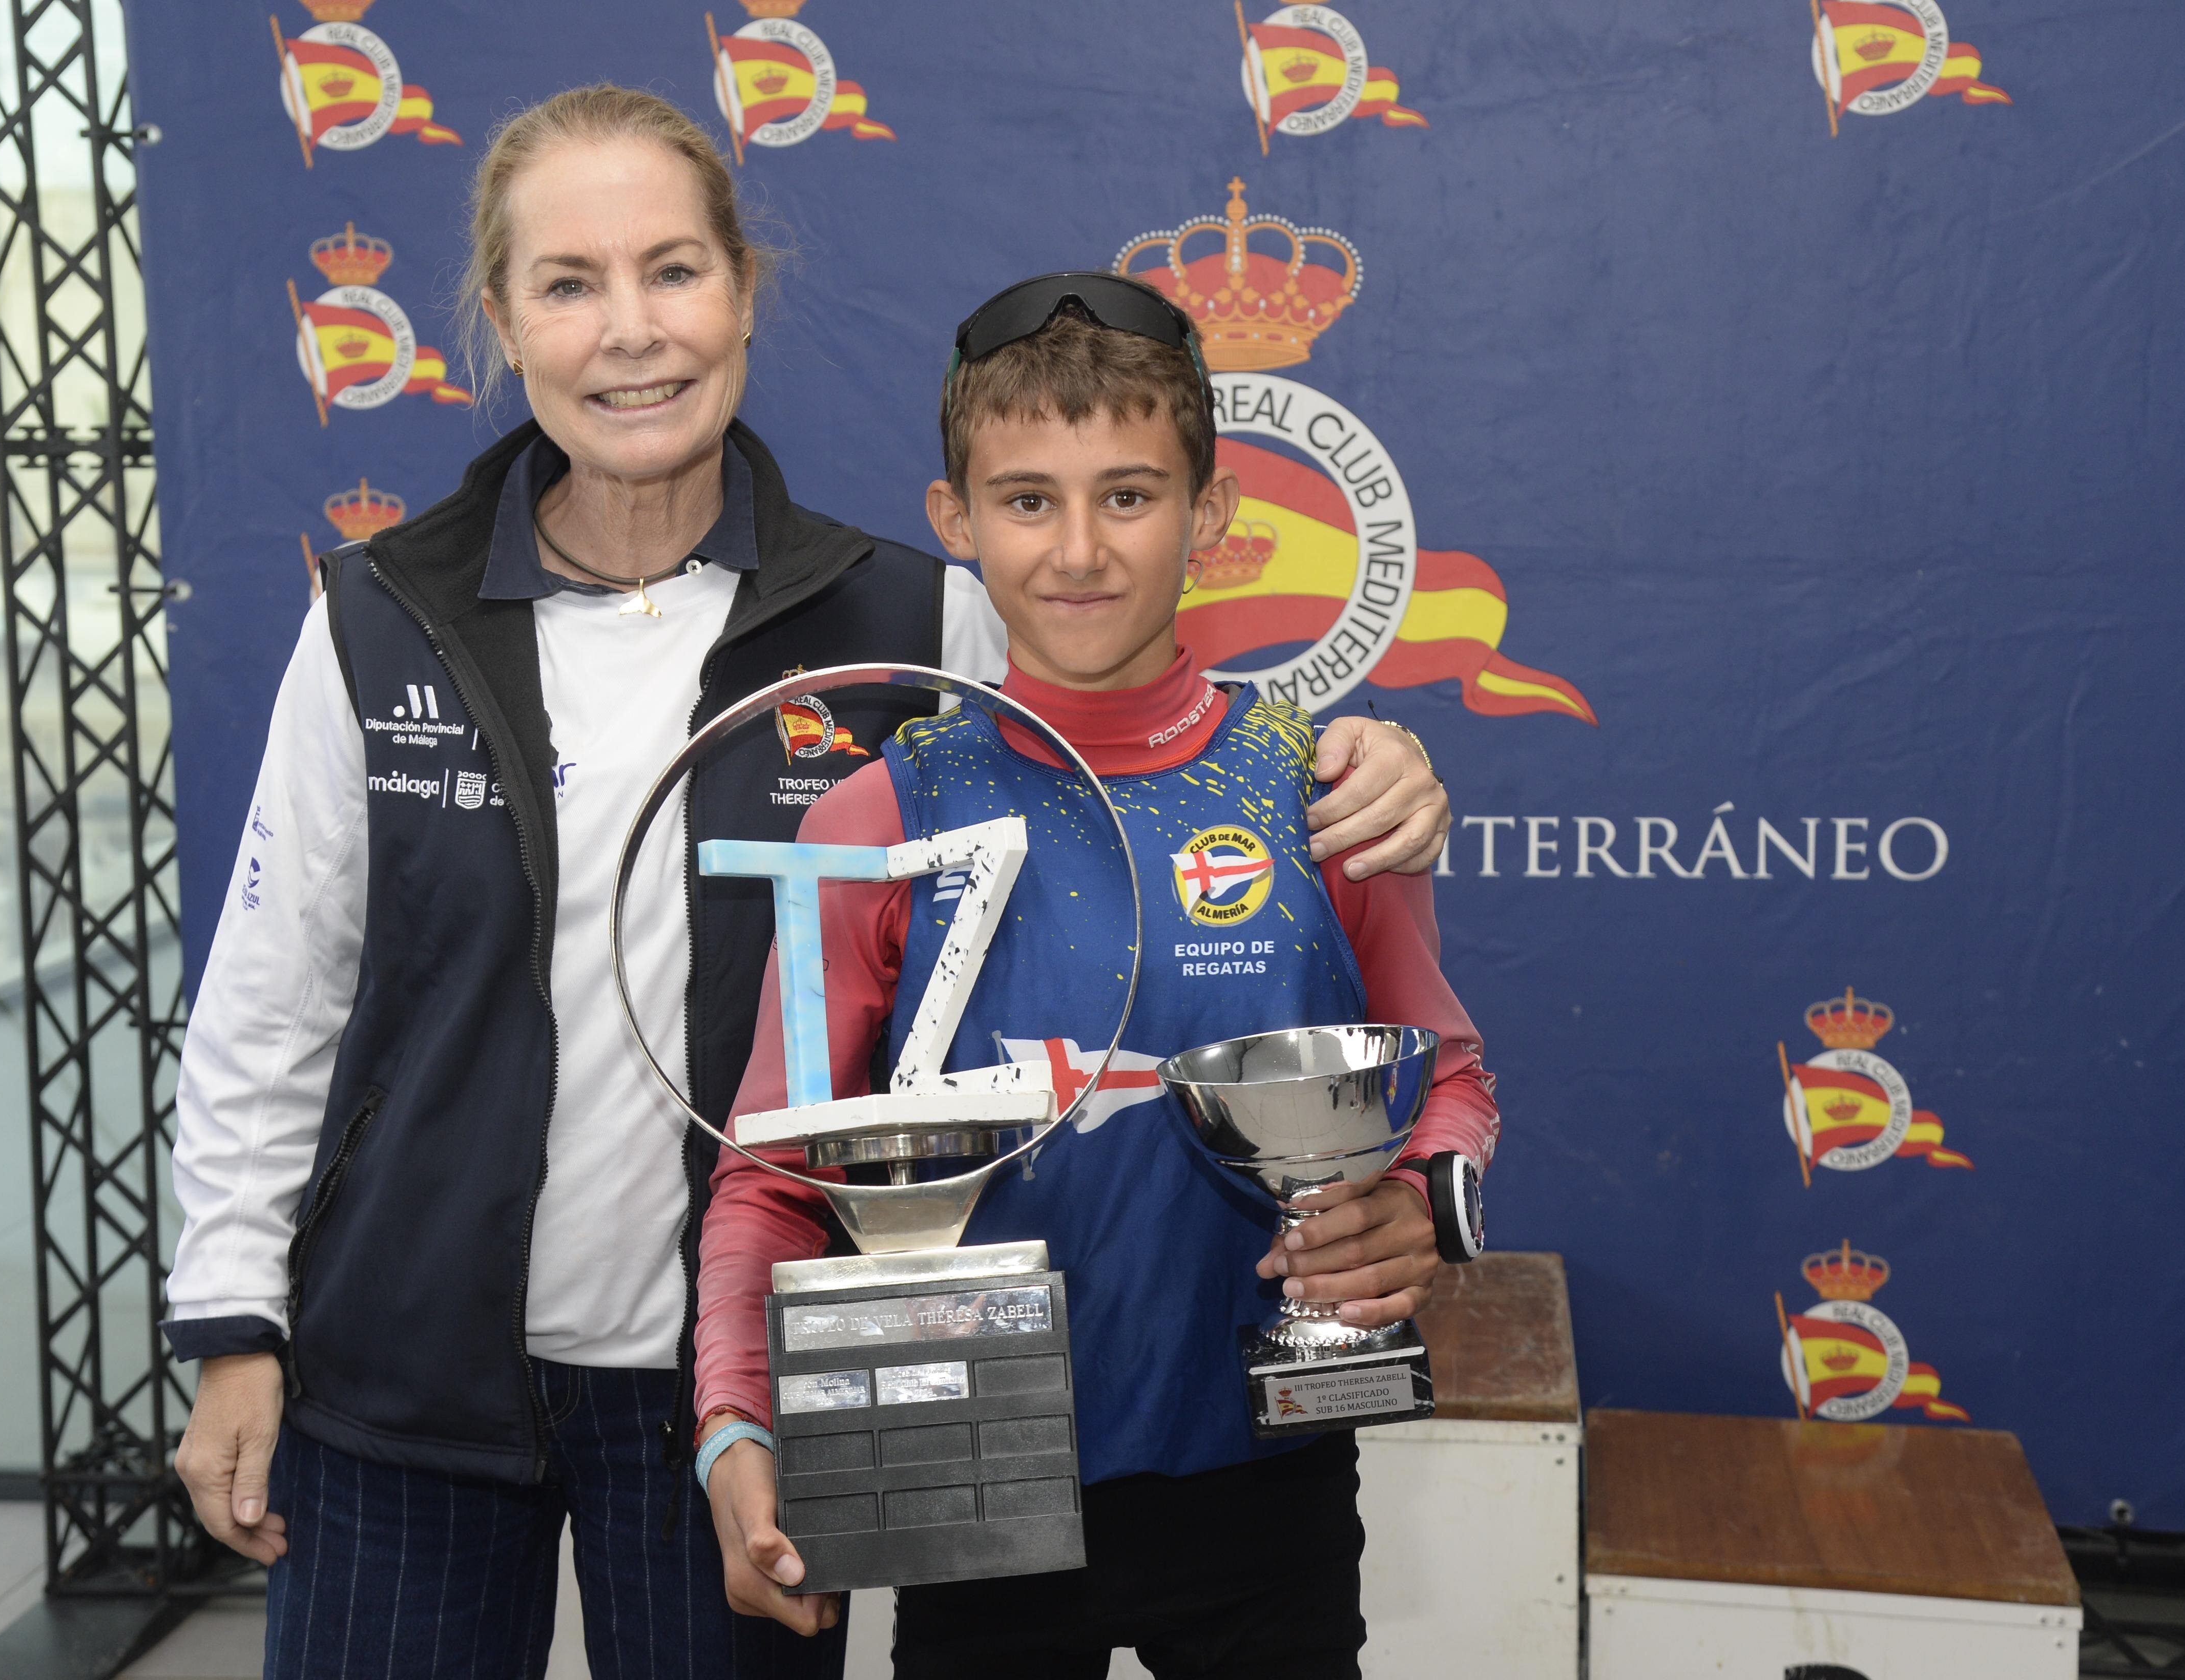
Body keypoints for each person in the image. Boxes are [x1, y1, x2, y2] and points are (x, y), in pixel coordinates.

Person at [160, 88, 1451, 1678]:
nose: (630, 332)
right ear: (499, 323)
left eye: (675, 271)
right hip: (404, 1373)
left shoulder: (920, 615)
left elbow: (1131, 737)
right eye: (569, 284)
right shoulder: (380, 615)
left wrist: (1353, 759)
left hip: (753, 1377)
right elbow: (271, 1003)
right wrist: (234, 1325)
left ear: (744, 292)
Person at [692, 274, 1499, 1678]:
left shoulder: (1326, 789)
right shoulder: (876, 818)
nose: (1079, 550)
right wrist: (736, 1429)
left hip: (1266, 1491)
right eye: (1026, 500)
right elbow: (771, 1175)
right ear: (955, 522)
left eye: (1128, 496)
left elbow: (1449, 1082)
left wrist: (1423, 1208)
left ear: (1213, 516)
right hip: (974, 1484)